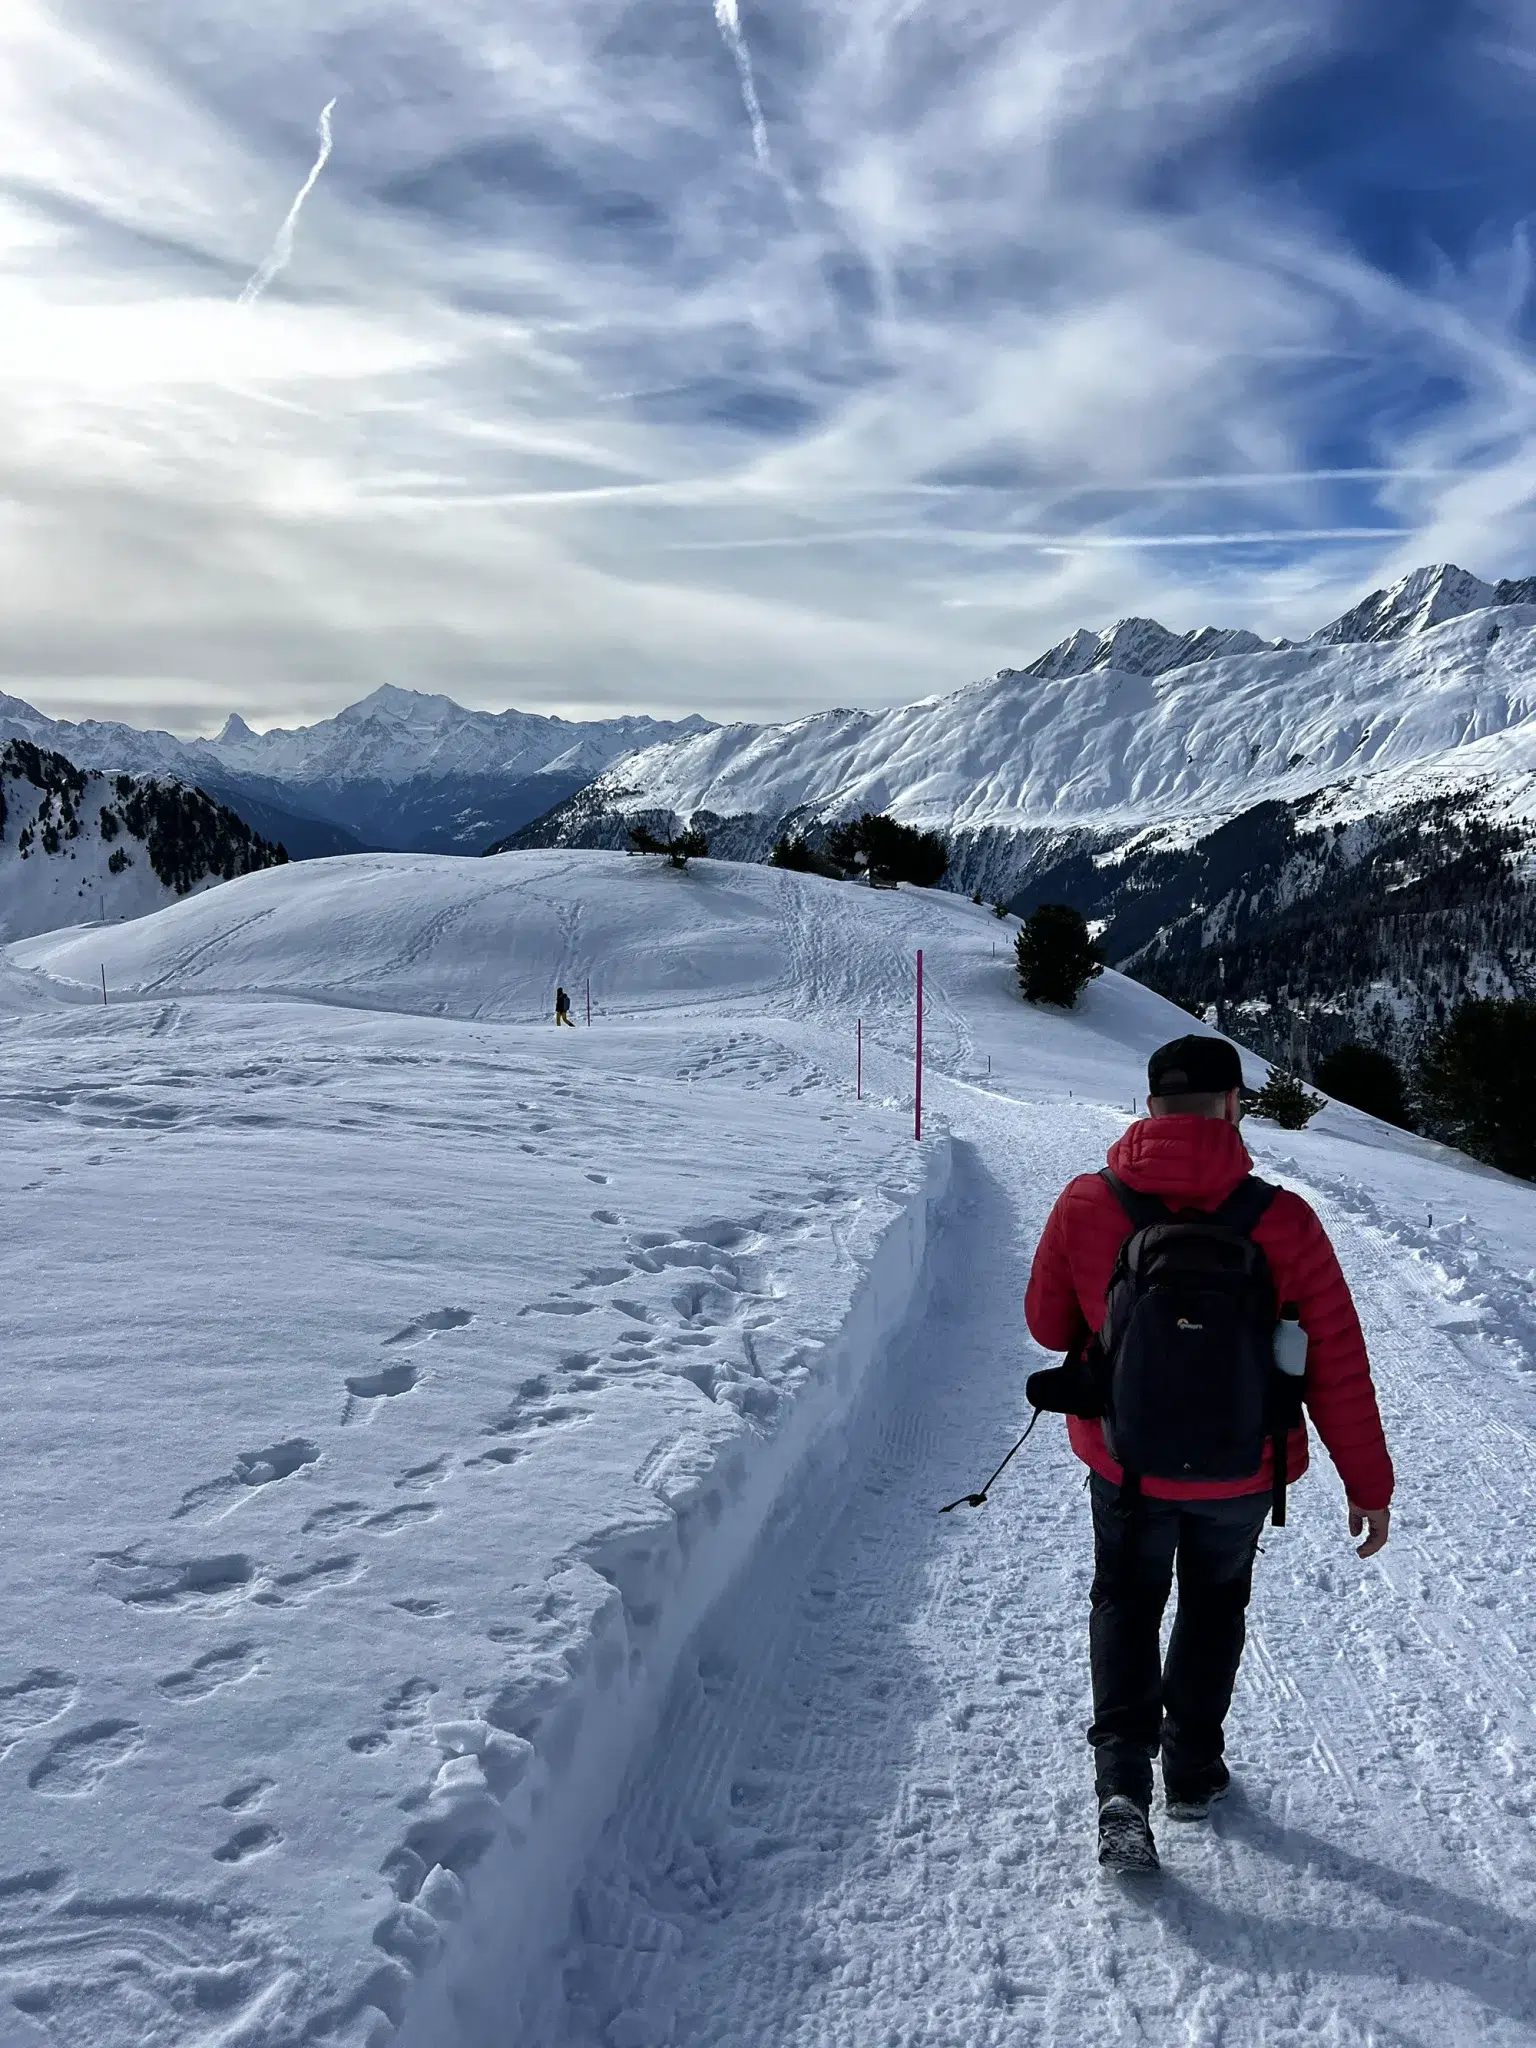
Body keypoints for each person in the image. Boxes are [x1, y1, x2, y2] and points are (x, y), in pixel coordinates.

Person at [1023, 1034, 1394, 1871]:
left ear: (1150, 1107)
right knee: (1214, 1605)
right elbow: (1337, 1362)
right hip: (1241, 1468)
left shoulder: (1089, 1202)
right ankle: (1191, 1769)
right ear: (1234, 1106)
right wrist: (1367, 1485)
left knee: (1125, 1599)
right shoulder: (1285, 1220)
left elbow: (1047, 1326)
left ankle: (1122, 1784)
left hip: (1129, 1460)